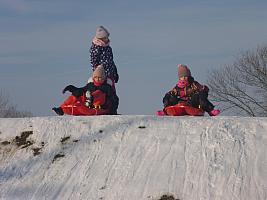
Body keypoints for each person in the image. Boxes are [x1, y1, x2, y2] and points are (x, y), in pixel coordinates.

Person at [52, 65, 119, 116]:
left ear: (103, 78)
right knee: (78, 93)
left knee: (99, 92)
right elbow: (82, 90)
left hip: (102, 108)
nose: (97, 79)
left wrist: (112, 111)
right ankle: (61, 108)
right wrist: (72, 89)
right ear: (93, 77)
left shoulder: (107, 87)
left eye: (100, 78)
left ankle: (90, 98)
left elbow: (114, 99)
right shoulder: (90, 85)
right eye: (96, 77)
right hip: (89, 106)